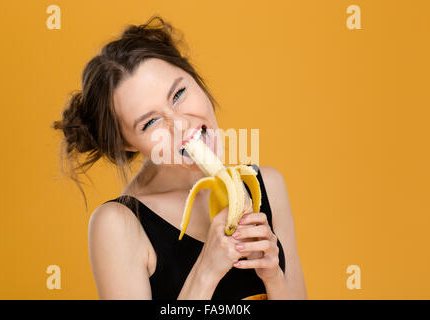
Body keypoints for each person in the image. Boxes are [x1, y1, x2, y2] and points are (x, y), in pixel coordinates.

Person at [52, 15, 307, 300]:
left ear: (194, 76)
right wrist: (206, 271)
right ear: (127, 144)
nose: (181, 125)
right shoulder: (118, 226)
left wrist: (273, 276)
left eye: (179, 94)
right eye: (149, 123)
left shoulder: (267, 185)